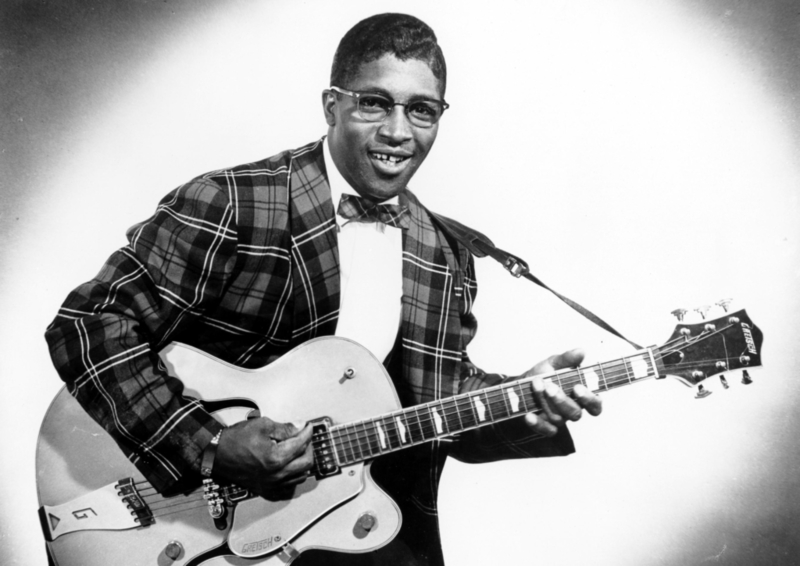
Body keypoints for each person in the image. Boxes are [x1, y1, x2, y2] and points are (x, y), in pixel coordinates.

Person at [45, 13, 601, 565]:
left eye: (422, 110)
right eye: (375, 102)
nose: (398, 132)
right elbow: (90, 324)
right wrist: (209, 446)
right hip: (184, 525)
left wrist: (525, 401)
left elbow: (434, 407)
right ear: (331, 105)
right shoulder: (235, 202)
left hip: (350, 529)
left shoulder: (446, 250)